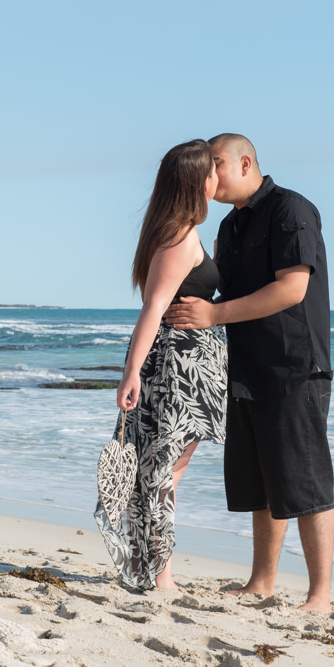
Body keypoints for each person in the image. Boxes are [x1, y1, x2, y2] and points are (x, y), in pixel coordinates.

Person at [163, 133, 334, 613]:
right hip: (243, 366)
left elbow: (292, 289)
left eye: (216, 164)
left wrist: (213, 316)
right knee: (260, 481)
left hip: (294, 365)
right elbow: (232, 297)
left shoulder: (291, 210)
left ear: (244, 163)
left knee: (305, 481)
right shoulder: (230, 227)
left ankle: (319, 595)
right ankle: (262, 582)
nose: (210, 176)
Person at [94, 138, 227, 591]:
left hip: (186, 368)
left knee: (165, 469)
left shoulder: (179, 230)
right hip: (176, 370)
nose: (218, 177)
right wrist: (130, 373)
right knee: (164, 470)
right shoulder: (179, 235)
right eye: (213, 169)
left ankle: (153, 570)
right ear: (197, 180)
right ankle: (159, 575)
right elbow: (153, 308)